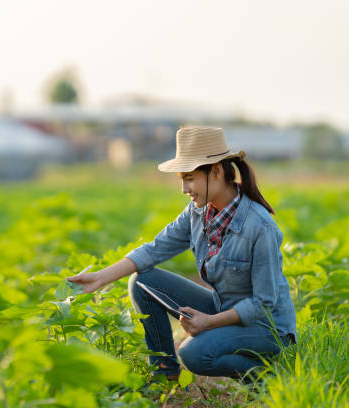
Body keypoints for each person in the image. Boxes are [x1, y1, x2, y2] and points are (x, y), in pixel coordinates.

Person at [66, 126, 297, 384]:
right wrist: (101, 278)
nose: (184, 188)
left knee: (194, 353)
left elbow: (263, 303)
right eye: (182, 179)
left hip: (266, 328)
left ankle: (269, 376)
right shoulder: (198, 212)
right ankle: (164, 374)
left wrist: (209, 322)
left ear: (217, 171)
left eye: (189, 178)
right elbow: (154, 249)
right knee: (142, 282)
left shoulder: (260, 226)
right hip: (226, 308)